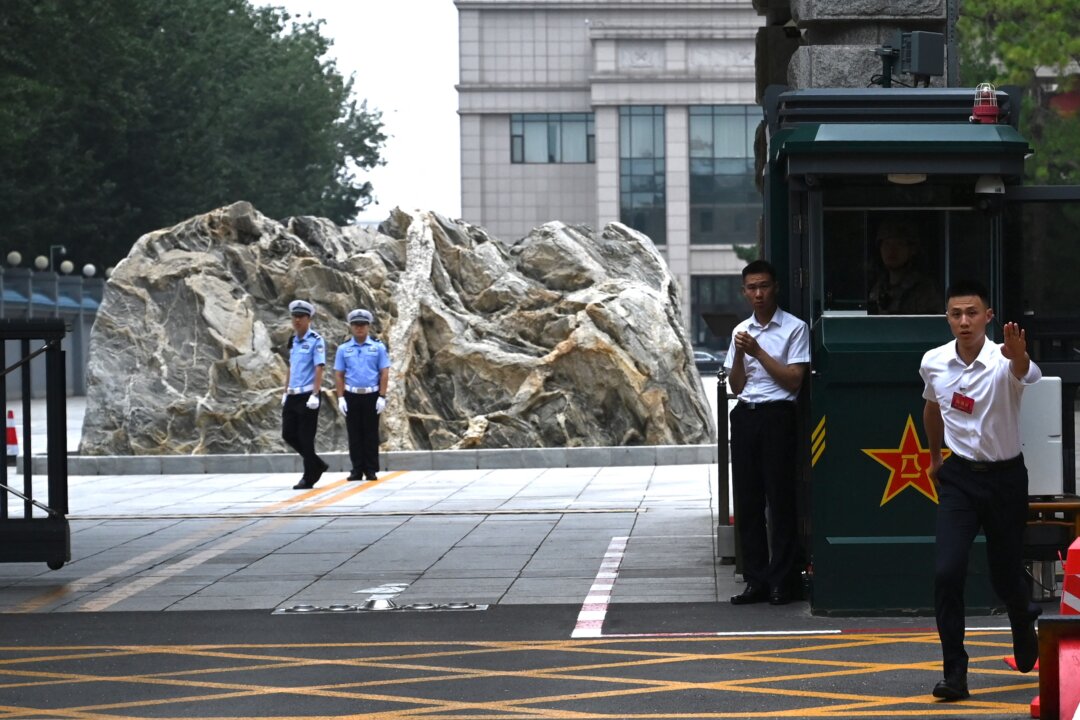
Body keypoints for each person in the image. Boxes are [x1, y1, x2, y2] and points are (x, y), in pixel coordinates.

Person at [919, 279, 1041, 701]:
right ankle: (955, 671)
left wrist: (1020, 355)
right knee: (946, 571)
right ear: (947, 318)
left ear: (988, 316)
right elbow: (932, 407)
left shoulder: (1004, 358)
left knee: (1005, 574)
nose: (964, 322)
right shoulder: (934, 361)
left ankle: (1023, 617)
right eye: (956, 314)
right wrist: (935, 458)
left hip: (1006, 477)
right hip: (960, 478)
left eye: (972, 313)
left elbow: (1026, 373)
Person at [723, 260, 811, 606]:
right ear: (744, 292)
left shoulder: (794, 328)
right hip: (746, 414)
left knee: (780, 499)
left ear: (775, 288)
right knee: (748, 502)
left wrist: (758, 351)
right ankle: (755, 580)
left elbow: (793, 380)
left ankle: (783, 581)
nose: (758, 294)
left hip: (778, 415)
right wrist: (743, 357)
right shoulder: (741, 331)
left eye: (763, 286)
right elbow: (736, 383)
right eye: (751, 288)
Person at [334, 308, 390, 481]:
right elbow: (339, 374)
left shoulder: (378, 347)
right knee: (354, 433)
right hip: (351, 395)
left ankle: (371, 469)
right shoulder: (343, 349)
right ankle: (357, 469)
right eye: (356, 325)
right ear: (351, 327)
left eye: (363, 325)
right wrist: (341, 397)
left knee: (371, 433)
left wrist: (382, 396)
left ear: (368, 326)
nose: (359, 328)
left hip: (371, 395)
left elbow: (384, 372)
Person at [282, 300, 328, 490]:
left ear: (309, 319)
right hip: (293, 395)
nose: (297, 320)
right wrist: (285, 392)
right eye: (295, 316)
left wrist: (315, 394)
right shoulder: (293, 341)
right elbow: (291, 368)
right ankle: (317, 464)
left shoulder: (316, 340)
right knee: (288, 434)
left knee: (306, 437)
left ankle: (309, 477)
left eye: (301, 317)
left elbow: (319, 368)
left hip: (308, 395)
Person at [868, 219, 942, 314]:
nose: (891, 250)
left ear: (912, 250)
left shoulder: (925, 290)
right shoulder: (877, 289)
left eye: (899, 244)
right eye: (886, 244)